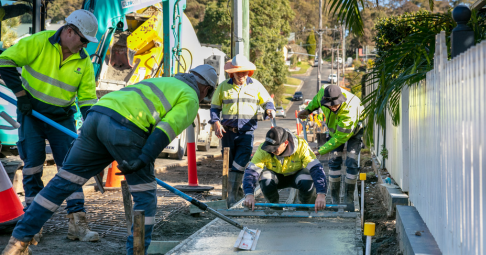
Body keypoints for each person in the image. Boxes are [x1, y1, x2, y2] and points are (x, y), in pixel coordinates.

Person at [1, 65, 219, 255]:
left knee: (62, 182)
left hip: (96, 117)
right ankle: (136, 251)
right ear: (206, 88)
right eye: (207, 95)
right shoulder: (190, 97)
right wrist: (143, 158)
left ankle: (17, 242)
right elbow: (164, 130)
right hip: (126, 129)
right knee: (145, 198)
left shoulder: (164, 81)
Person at [0, 9, 100, 243]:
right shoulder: (39, 42)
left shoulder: (84, 62)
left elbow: (86, 98)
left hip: (61, 118)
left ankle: (77, 223)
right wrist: (21, 95)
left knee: (71, 169)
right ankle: (33, 225)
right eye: (83, 40)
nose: (85, 46)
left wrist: (91, 125)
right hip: (32, 115)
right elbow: (4, 61)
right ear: (68, 32)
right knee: (33, 167)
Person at [210, 54, 275, 208]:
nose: (241, 76)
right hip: (227, 132)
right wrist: (216, 122)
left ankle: (232, 196)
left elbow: (267, 102)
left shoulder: (256, 86)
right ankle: (235, 193)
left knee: (241, 161)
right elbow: (214, 108)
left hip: (246, 132)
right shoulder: (223, 86)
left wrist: (270, 110)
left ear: (248, 72)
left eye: (244, 72)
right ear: (232, 72)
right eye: (238, 73)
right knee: (230, 164)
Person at [298, 85, 364, 206]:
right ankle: (335, 200)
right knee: (334, 161)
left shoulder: (349, 110)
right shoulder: (323, 92)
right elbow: (316, 101)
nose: (332, 108)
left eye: (335, 105)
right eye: (329, 105)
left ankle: (348, 200)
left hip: (353, 131)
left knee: (351, 161)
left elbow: (340, 138)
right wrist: (308, 110)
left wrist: (320, 150)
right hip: (335, 132)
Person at [242, 127, 327, 212]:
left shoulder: (301, 146)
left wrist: (321, 194)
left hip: (297, 176)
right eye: (269, 148)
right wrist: (249, 194)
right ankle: (274, 207)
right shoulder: (263, 150)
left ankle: (303, 205)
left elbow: (316, 169)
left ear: (286, 143)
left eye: (275, 148)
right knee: (265, 177)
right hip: (276, 177)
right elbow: (251, 172)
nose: (271, 151)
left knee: (307, 178)